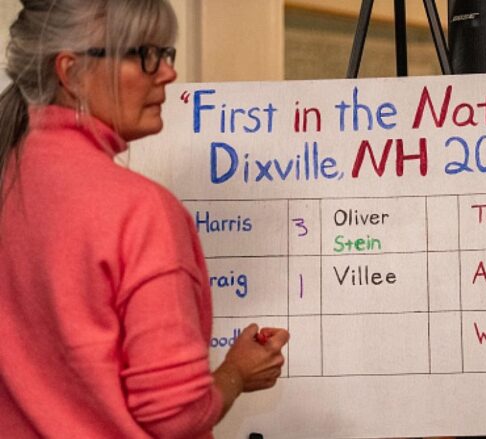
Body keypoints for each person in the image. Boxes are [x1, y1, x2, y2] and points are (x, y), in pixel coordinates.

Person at [0, 1, 289, 437]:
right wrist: (236, 373)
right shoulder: (140, 211)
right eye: (144, 55)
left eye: (165, 53)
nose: (168, 72)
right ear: (70, 72)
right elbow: (175, 415)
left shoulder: (11, 177)